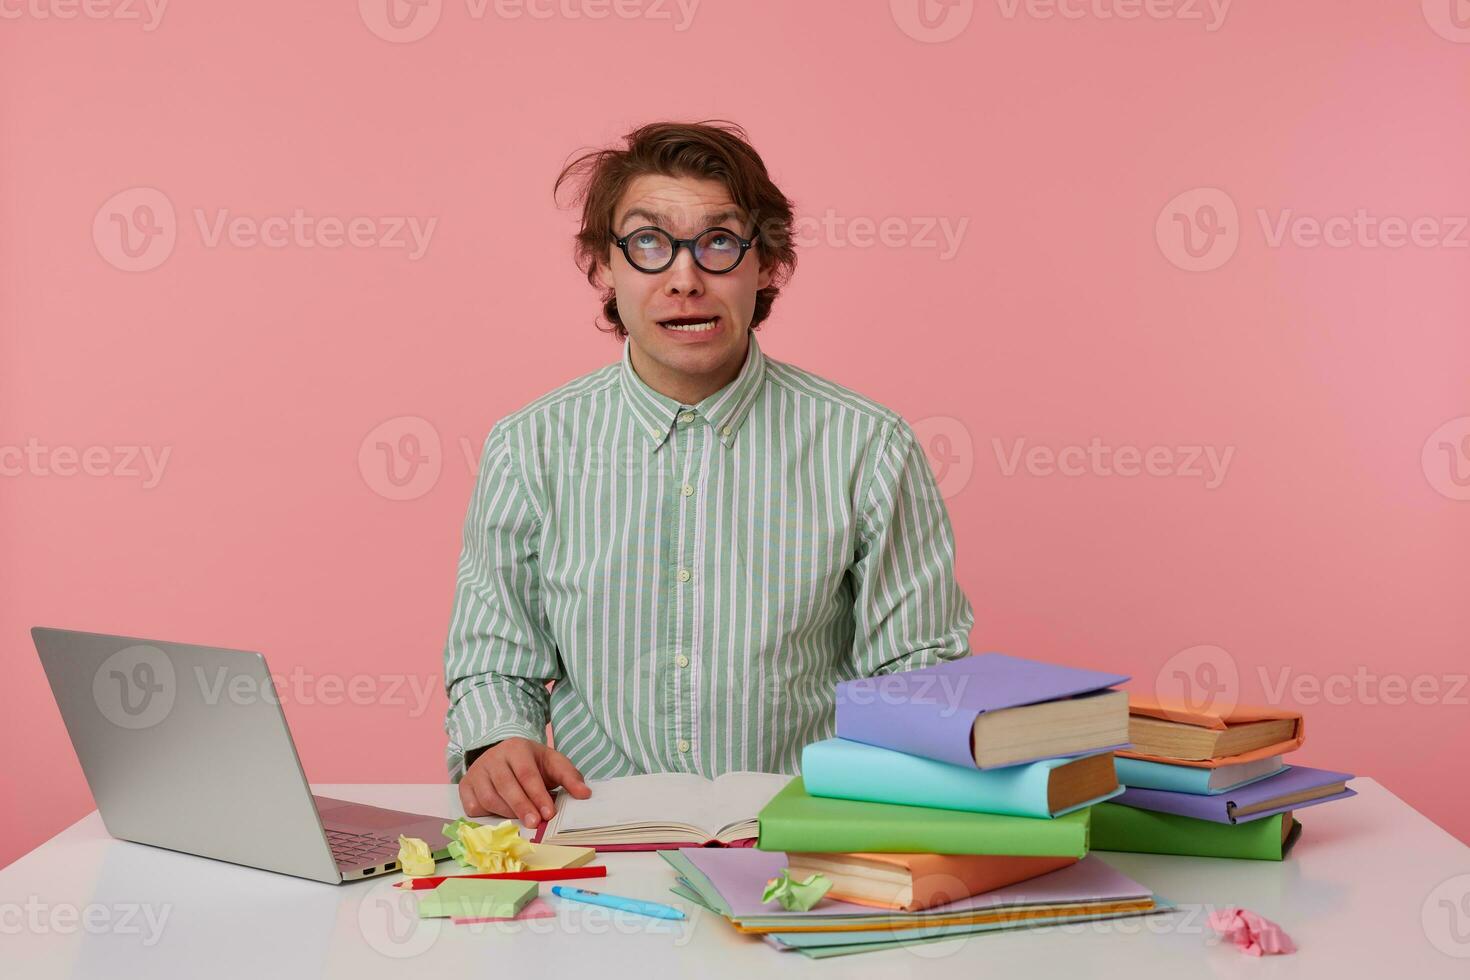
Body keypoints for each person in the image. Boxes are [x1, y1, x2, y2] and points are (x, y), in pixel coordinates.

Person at [444, 120, 975, 828]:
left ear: (768, 264)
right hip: (598, 839)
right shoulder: (530, 446)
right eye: (648, 244)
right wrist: (498, 741)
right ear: (603, 266)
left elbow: (917, 672)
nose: (686, 278)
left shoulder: (867, 445)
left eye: (720, 242)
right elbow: (494, 661)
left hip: (803, 840)